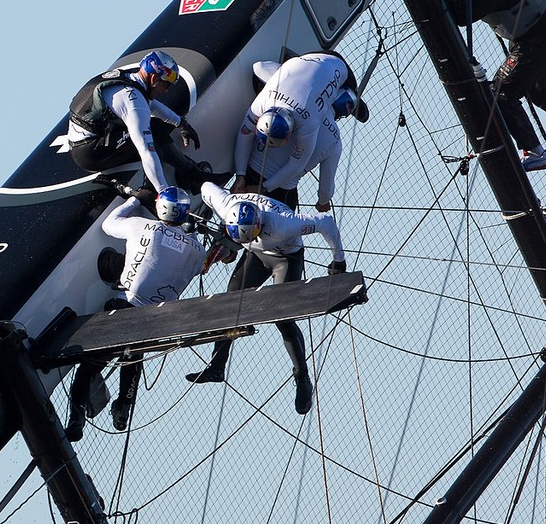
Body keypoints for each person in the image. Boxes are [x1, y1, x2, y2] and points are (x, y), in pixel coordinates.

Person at [185, 182, 347, 415]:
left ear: (260, 224)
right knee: (228, 305)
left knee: (282, 318)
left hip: (286, 259)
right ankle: (217, 367)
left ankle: (302, 376)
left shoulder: (283, 224)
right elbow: (205, 187)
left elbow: (326, 223)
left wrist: (338, 259)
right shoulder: (225, 204)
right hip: (257, 255)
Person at [66, 186, 206, 438]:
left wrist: (135, 200)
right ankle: (124, 405)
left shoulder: (141, 226)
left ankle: (76, 421)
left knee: (88, 367)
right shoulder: (198, 250)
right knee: (132, 357)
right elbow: (197, 266)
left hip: (124, 308)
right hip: (158, 319)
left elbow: (109, 225)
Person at [447, 0, 546, 172]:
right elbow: (460, 3)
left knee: (500, 94)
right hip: (529, 38)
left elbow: (463, 15)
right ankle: (535, 150)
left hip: (538, 38)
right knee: (540, 94)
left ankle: (535, 152)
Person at [232, 51, 369, 210]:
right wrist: (323, 202)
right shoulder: (334, 139)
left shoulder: (308, 120)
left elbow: (245, 135)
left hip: (326, 65)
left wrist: (241, 176)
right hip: (282, 191)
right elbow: (302, 171)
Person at [68, 50, 208, 193]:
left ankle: (190, 172)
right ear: (153, 78)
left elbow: (150, 104)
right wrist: (163, 191)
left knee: (152, 125)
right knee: (154, 131)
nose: (165, 91)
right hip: (91, 154)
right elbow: (146, 150)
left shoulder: (128, 79)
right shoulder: (134, 102)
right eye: (166, 85)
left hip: (84, 143)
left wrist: (181, 123)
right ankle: (152, 189)